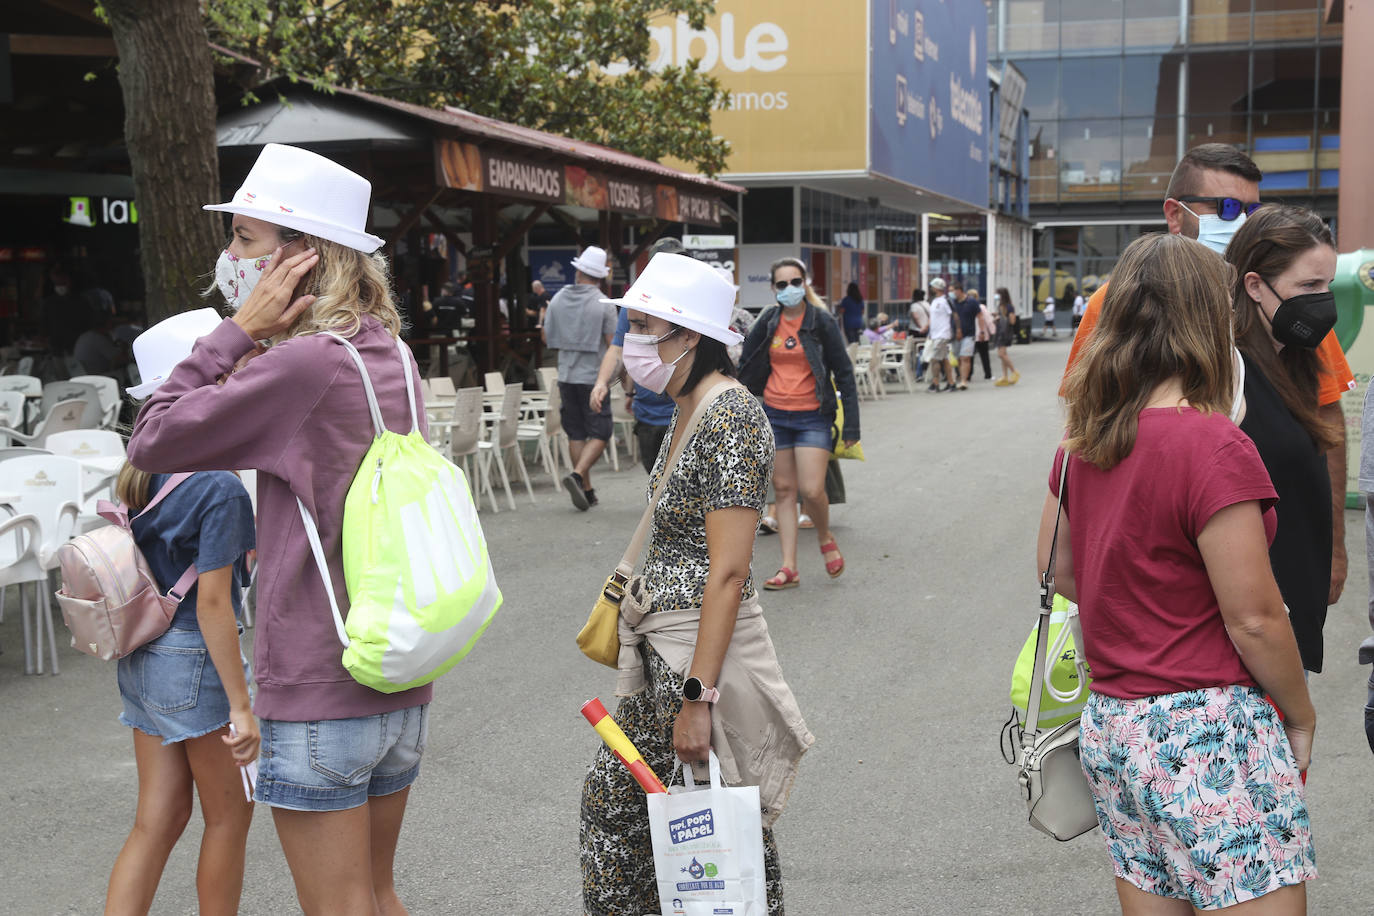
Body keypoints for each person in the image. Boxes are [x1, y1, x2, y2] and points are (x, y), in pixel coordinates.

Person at [127, 143, 430, 916]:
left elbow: (152, 439)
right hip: (395, 673)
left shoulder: (302, 367)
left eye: (245, 240)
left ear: (300, 259)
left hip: (320, 684)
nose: (231, 256)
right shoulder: (387, 351)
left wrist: (234, 332)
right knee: (378, 892)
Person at [1042, 232, 1316, 914]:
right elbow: (1253, 617)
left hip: (1114, 726)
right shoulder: (1213, 442)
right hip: (1209, 725)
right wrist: (1300, 714)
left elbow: (1061, 570)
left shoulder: (1087, 439)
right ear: (1207, 321)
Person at [580, 253, 813, 916]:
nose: (633, 342)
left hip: (689, 667)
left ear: (688, 335)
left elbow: (731, 571)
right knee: (674, 825)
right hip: (661, 664)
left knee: (703, 827)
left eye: (645, 326)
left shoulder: (731, 415)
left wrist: (697, 698)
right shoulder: (688, 408)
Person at [1064, 143, 1354, 607]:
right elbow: (1085, 434)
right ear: (1175, 216)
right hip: (1168, 569)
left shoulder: (1289, 307)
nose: (1241, 220)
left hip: (1282, 561)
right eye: (1226, 208)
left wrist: (1334, 543)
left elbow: (1327, 423)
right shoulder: (1113, 305)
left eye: (1253, 208)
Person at [104, 457, 258, 916]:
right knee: (229, 819)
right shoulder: (220, 489)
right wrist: (242, 707)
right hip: (193, 658)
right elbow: (213, 605)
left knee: (156, 822)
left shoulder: (145, 466)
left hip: (143, 650)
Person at [1227, 205, 1343, 677]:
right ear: (1254, 285)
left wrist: (1335, 554)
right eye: (1309, 286)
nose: (1324, 300)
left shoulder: (1300, 358)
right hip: (1248, 629)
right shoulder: (1224, 373)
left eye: (1328, 285)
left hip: (1291, 611)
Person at [738, 256, 860, 590]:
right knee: (784, 491)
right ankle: (788, 567)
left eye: (795, 282)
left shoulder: (821, 322)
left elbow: (845, 374)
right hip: (776, 416)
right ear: (773, 288)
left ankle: (824, 534)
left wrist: (851, 428)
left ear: (804, 283)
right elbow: (747, 365)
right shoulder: (768, 322)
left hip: (813, 416)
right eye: (782, 284)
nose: (789, 289)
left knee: (811, 490)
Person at [590, 237, 686, 474]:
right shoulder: (636, 301)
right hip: (649, 412)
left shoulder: (691, 301)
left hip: (685, 408)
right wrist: (603, 383)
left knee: (682, 488)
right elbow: (619, 347)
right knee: (655, 484)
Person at [543, 245, 618, 509]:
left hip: (566, 375)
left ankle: (586, 489)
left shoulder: (558, 298)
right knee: (601, 431)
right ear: (601, 275)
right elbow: (613, 346)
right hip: (593, 378)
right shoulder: (605, 305)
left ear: (578, 271)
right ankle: (577, 476)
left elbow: (546, 337)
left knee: (576, 433)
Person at [74, 310, 130, 377]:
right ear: (107, 323)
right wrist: (125, 348)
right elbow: (122, 360)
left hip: (85, 374)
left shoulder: (86, 336)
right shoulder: (98, 339)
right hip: (98, 376)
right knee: (128, 371)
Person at [925, 278, 956, 392]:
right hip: (935, 335)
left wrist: (956, 331)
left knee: (934, 359)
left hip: (942, 335)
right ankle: (951, 383)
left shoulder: (945, 301)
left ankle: (935, 383)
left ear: (936, 288)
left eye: (932, 287)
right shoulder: (934, 301)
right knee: (944, 359)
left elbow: (954, 315)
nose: (931, 289)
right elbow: (933, 319)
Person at [953, 283, 980, 390]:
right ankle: (961, 377)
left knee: (965, 357)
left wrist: (981, 331)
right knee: (959, 358)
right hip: (955, 335)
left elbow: (980, 316)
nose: (953, 293)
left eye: (954, 290)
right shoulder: (952, 303)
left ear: (960, 290)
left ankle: (964, 380)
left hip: (969, 334)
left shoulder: (972, 302)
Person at [992, 287, 1019, 386]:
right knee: (1003, 355)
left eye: (997, 294)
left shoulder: (1008, 307)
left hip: (1005, 333)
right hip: (1000, 332)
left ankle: (1014, 371)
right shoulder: (1000, 306)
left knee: (1001, 354)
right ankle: (1005, 376)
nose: (995, 296)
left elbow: (1012, 320)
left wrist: (1002, 317)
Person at [969, 291, 994, 381]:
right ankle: (988, 374)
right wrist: (993, 331)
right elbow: (988, 320)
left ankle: (968, 374)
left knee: (970, 356)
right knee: (984, 356)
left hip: (971, 335)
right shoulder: (982, 307)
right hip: (982, 335)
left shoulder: (967, 307)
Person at [907, 287, 929, 382]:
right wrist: (926, 327)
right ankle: (924, 369)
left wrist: (920, 327)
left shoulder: (914, 306)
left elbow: (915, 317)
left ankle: (917, 372)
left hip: (916, 331)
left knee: (916, 352)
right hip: (927, 330)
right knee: (925, 350)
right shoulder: (927, 304)